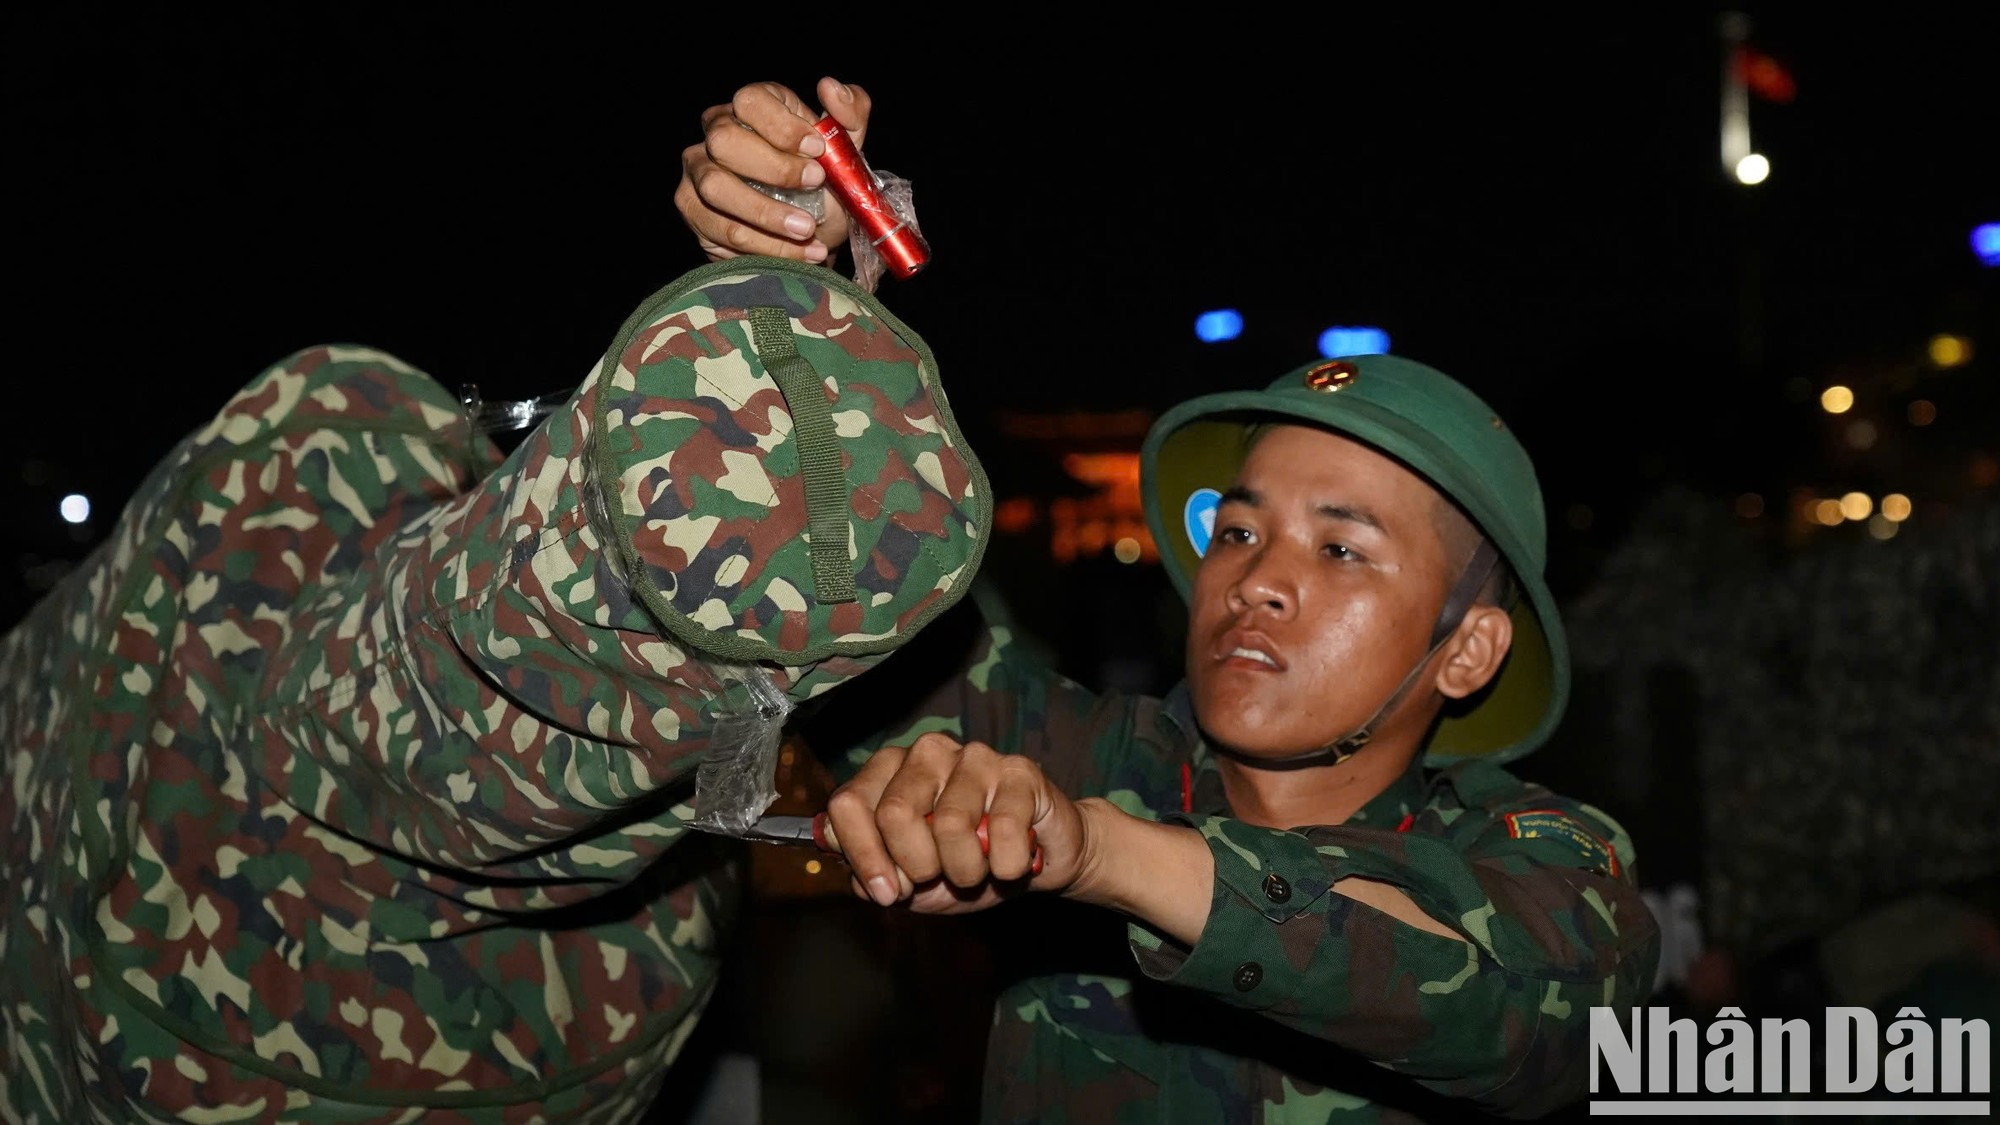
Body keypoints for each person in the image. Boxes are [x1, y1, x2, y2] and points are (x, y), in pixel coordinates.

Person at [677, 77, 1662, 1121]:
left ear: (1466, 650)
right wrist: (797, 301)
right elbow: (857, 605)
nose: (1260, 579)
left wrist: (1099, 853)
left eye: (1341, 548)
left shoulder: (1545, 856)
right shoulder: (1084, 757)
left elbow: (1529, 1013)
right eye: (1237, 531)